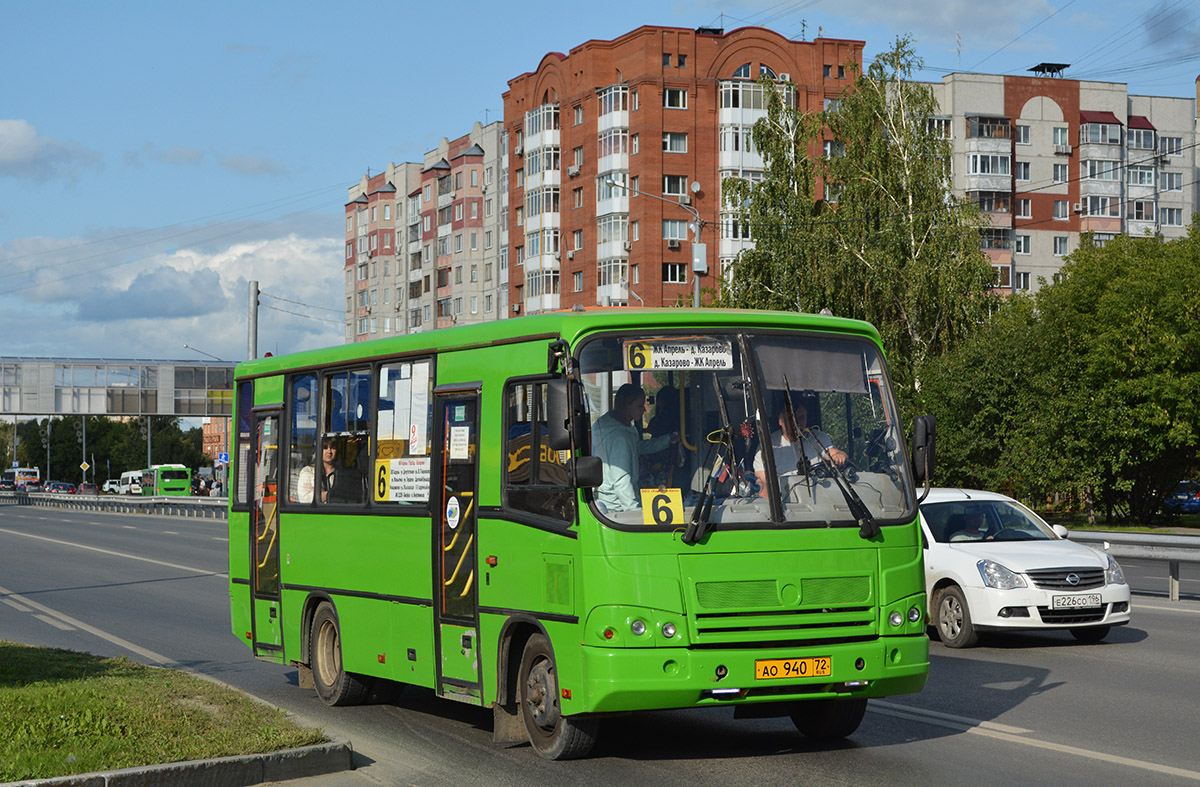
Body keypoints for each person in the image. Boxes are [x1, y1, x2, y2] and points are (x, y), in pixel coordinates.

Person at [593, 383, 680, 513]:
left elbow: (637, 447)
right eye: (640, 406)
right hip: (618, 506)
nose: (644, 410)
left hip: (611, 500)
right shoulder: (619, 437)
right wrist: (634, 511)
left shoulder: (614, 426)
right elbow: (621, 481)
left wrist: (667, 439)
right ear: (626, 406)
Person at [753, 394, 847, 478]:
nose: (796, 423)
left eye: (801, 418)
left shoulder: (817, 437)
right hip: (784, 496)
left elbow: (835, 453)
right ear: (780, 420)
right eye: (791, 419)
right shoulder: (767, 446)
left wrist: (839, 456)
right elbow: (762, 482)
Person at [319, 437, 365, 504]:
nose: (329, 451)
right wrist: (332, 495)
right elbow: (306, 498)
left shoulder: (344, 473)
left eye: (332, 448)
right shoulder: (308, 472)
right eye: (325, 448)